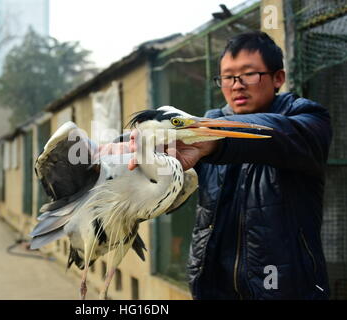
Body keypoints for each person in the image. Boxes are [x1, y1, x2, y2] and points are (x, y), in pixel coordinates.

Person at [116, 31, 331, 299]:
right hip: (213, 286)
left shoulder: (308, 119)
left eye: (249, 74)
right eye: (228, 77)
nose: (237, 85)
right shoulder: (206, 123)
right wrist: (136, 156)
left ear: (278, 78)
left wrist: (214, 140)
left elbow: (277, 134)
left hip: (284, 288)